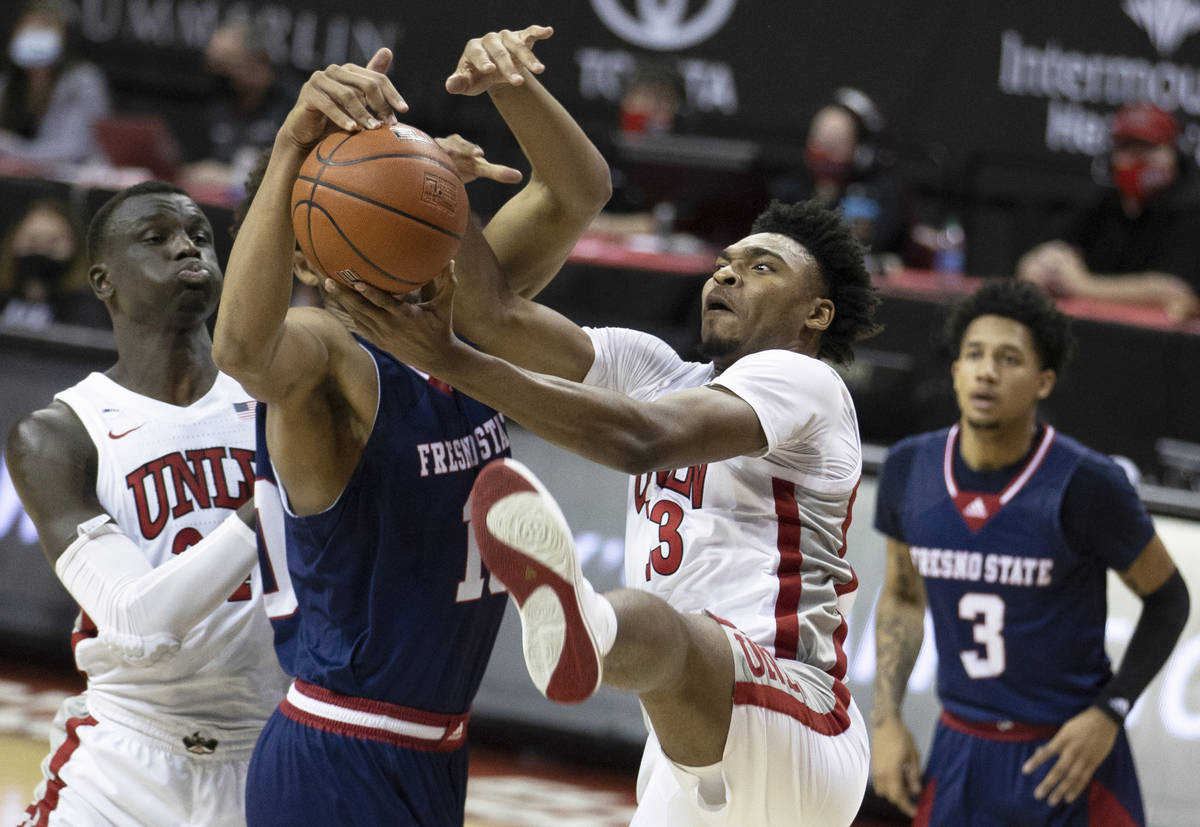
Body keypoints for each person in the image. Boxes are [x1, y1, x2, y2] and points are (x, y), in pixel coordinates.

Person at [327, 196, 881, 825]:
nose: (726, 274)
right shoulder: (659, 372)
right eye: (724, 262)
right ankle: (590, 627)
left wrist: (450, 359)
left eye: (761, 268)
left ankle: (585, 625)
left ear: (818, 312)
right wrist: (439, 189)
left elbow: (640, 440)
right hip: (686, 740)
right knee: (662, 633)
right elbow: (495, 317)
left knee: (654, 622)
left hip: (798, 716)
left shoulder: (804, 380)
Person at [212, 25, 611, 825]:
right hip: (340, 745)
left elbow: (579, 195)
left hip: (435, 748)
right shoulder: (331, 356)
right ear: (302, 252)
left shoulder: (463, 321)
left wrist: (510, 84)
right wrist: (295, 142)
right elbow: (245, 353)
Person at [5, 180, 289, 826]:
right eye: (155, 238)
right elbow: (135, 622)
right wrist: (270, 499)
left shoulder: (281, 398)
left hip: (268, 751)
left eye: (199, 235)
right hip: (123, 759)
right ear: (102, 281)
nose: (186, 246)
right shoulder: (59, 433)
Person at [870, 279, 1190, 825]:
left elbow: (1170, 600)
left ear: (1044, 381)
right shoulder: (909, 468)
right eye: (974, 355)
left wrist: (1110, 711)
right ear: (954, 370)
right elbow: (901, 596)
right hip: (961, 746)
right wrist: (885, 722)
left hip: (1067, 751)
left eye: (1008, 358)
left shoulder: (1088, 483)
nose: (987, 371)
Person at [1018, 102, 1200, 321]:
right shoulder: (1105, 201)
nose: (1137, 160)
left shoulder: (1190, 207)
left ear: (1172, 154)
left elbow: (1173, 289)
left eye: (1147, 148)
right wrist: (1039, 266)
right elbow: (1050, 252)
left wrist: (1082, 285)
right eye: (1127, 149)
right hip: (1099, 331)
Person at [770, 87, 912, 272]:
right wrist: (820, 199)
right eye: (819, 143)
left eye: (835, 146)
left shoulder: (879, 191)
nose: (824, 155)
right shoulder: (789, 189)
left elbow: (878, 246)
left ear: (860, 151)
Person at [180, 20, 295, 194]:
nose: (221, 75)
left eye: (227, 65)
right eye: (215, 66)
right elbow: (187, 168)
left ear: (257, 63)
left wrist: (229, 177)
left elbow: (291, 175)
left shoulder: (292, 106)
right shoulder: (215, 102)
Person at [0, 0, 111, 168]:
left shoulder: (82, 81)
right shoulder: (10, 82)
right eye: (30, 32)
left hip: (77, 178)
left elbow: (72, 150)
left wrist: (10, 146)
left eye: (44, 33)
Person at [0, 197, 110, 328]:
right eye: (32, 241)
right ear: (13, 243)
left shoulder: (89, 311)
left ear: (75, 247)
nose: (41, 250)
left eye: (53, 243)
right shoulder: (3, 297)